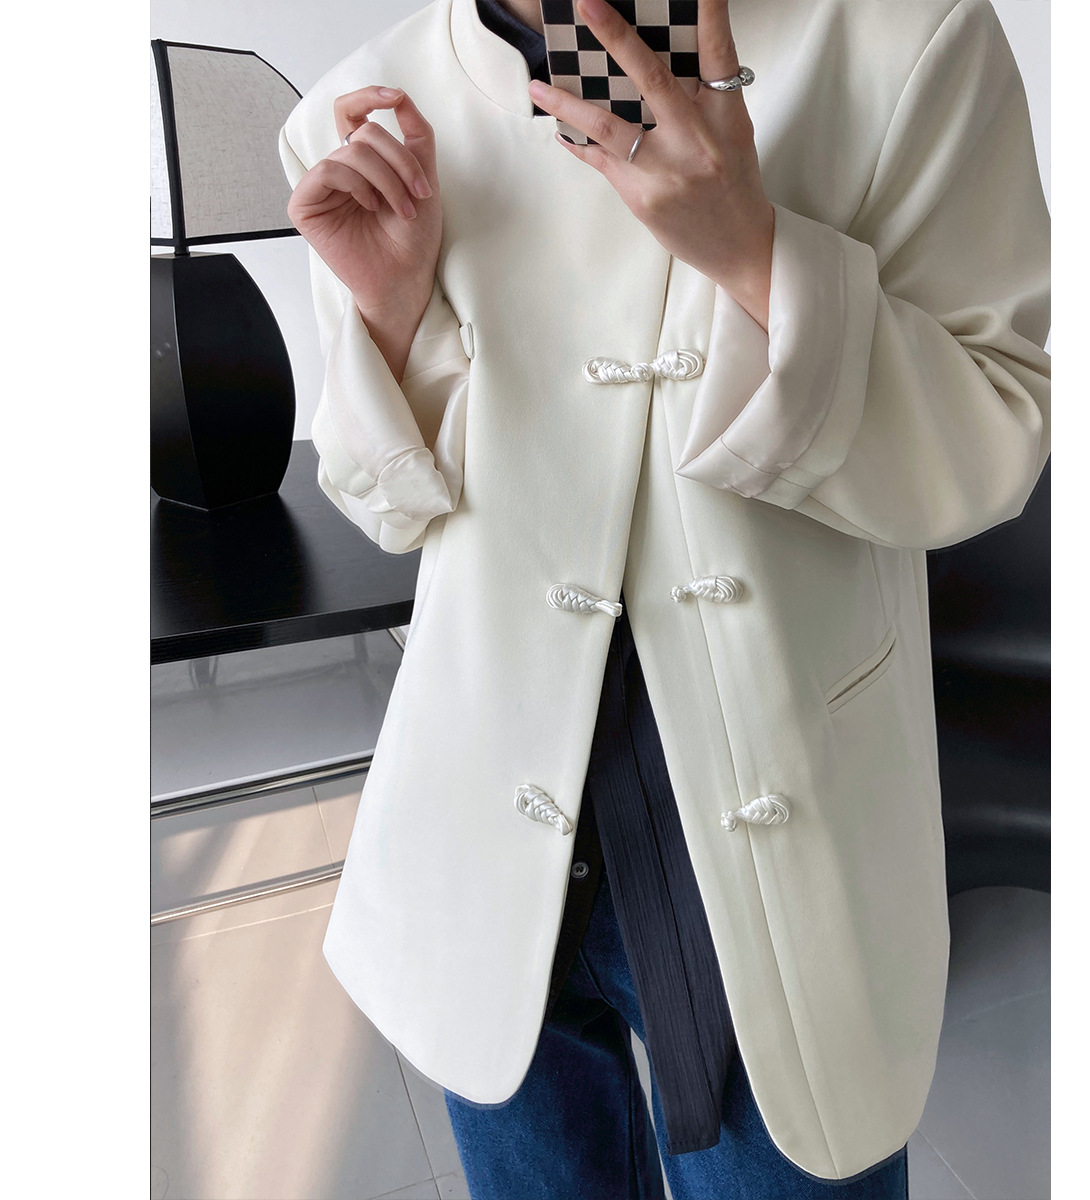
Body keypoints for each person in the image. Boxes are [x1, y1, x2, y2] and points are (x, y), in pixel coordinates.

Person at [278, 1, 1050, 1196]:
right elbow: (388, 506)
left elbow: (996, 429)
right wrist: (388, 317)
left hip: (774, 850)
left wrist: (759, 256)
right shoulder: (361, 104)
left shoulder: (907, 38)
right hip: (483, 846)